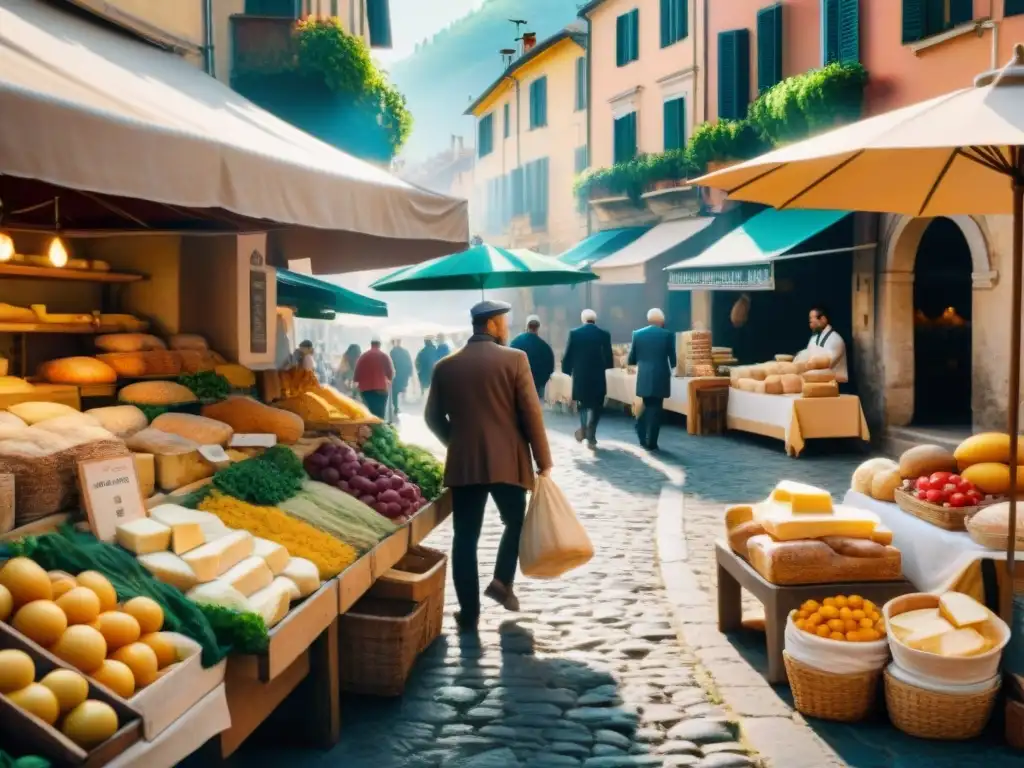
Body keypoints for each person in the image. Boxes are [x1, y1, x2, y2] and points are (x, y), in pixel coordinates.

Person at [425, 300, 553, 632]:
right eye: (504, 322)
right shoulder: (515, 360)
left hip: (465, 463)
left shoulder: (445, 365)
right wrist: (543, 461)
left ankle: (469, 612)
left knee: (464, 537)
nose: (507, 328)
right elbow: (531, 414)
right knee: (515, 522)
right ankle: (501, 581)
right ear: (493, 325)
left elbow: (431, 417)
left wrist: (456, 441)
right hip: (508, 461)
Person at [562, 309, 613, 449]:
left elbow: (568, 354)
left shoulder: (575, 333)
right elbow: (608, 355)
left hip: (581, 374)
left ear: (583, 319)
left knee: (582, 402)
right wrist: (608, 366)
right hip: (597, 374)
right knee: (597, 403)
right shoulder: (604, 334)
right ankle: (592, 432)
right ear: (595, 320)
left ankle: (583, 427)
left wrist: (566, 370)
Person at [629, 308, 676, 451]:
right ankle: (652, 441)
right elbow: (672, 359)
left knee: (648, 404)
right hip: (661, 374)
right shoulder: (668, 335)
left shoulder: (637, 334)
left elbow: (632, 358)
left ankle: (641, 429)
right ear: (661, 321)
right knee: (656, 407)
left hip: (644, 374)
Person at [796, 304, 849, 386]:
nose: (810, 324)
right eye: (809, 321)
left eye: (812, 320)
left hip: (836, 384)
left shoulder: (835, 339)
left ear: (823, 319)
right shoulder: (814, 338)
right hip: (817, 381)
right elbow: (808, 356)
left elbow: (827, 365)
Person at [510, 315, 555, 400]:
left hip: (519, 383)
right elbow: (550, 368)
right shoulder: (544, 346)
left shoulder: (515, 342)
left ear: (526, 326)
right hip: (536, 386)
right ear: (538, 327)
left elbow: (508, 362)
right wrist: (542, 382)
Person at [353, 337, 394, 419]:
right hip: (381, 389)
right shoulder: (384, 356)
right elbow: (390, 373)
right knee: (380, 413)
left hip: (366, 390)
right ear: (379, 345)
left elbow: (356, 376)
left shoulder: (363, 356)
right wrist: (388, 380)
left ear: (371, 344)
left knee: (368, 412)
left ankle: (370, 429)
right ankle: (379, 429)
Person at [389, 339, 414, 415]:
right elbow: (409, 362)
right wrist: (410, 372)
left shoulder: (392, 352)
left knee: (395, 392)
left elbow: (390, 363)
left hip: (396, 374)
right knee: (400, 389)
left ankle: (396, 407)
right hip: (403, 374)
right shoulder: (405, 351)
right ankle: (400, 402)